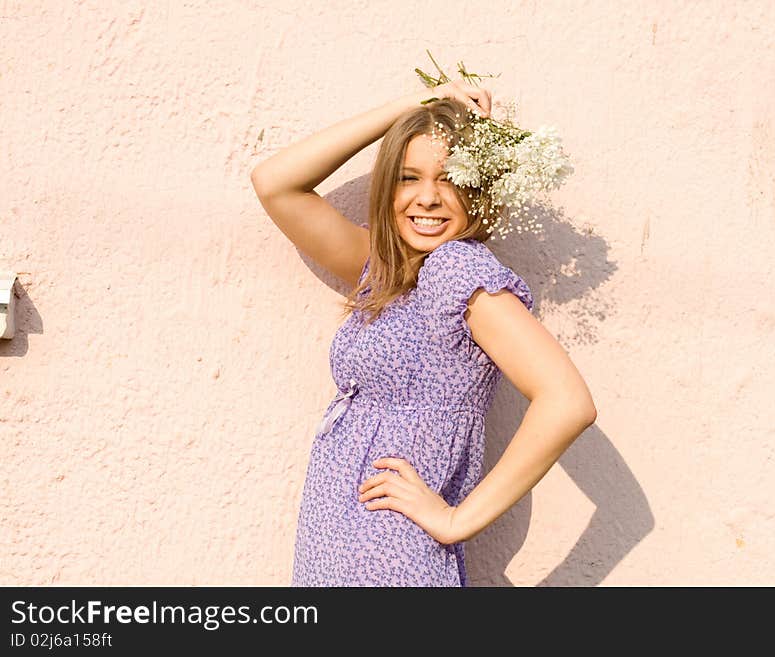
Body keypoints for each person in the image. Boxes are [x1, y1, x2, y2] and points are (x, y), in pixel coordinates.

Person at [250, 80, 597, 586]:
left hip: (391, 560)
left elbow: (568, 402)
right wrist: (413, 105)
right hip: (333, 550)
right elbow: (274, 182)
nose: (428, 198)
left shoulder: (457, 269)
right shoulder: (385, 271)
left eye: (450, 179)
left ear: (477, 192)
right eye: (408, 177)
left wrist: (456, 520)